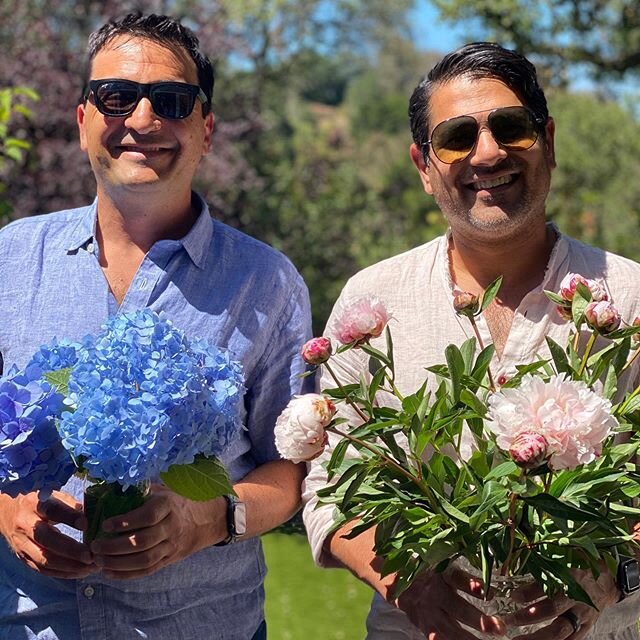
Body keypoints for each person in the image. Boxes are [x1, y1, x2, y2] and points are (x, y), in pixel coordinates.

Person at [302, 42, 640, 640]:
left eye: (511, 127)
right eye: (458, 137)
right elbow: (331, 486)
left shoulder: (630, 297)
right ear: (424, 166)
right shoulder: (371, 301)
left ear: (550, 143)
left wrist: (613, 571)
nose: (489, 152)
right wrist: (404, 582)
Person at [0, 13, 312, 640]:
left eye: (171, 101)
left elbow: (292, 471)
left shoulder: (266, 284)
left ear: (206, 129)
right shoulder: (9, 261)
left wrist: (210, 518)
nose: (142, 120)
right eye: (115, 96)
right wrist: (3, 508)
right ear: (84, 117)